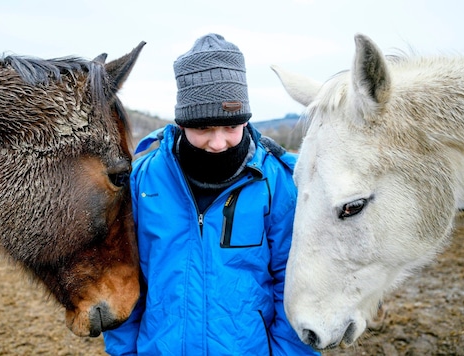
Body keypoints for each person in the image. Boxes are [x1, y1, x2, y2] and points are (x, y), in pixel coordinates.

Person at [103, 33, 318, 356]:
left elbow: (294, 284)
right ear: (182, 121)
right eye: (203, 128)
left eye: (231, 127)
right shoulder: (141, 181)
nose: (218, 143)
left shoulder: (277, 182)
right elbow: (122, 275)